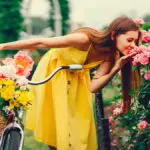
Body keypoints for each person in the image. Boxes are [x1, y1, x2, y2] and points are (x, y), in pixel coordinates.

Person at [0, 16, 141, 150]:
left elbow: (93, 86)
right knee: (57, 127)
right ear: (113, 35)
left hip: (77, 80)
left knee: (78, 129)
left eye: (135, 41)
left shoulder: (112, 55)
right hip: (55, 72)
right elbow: (41, 43)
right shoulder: (84, 39)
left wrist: (116, 68)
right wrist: (3, 46)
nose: (132, 45)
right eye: (129, 40)